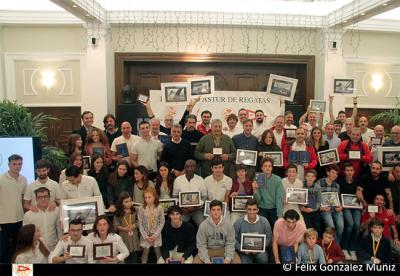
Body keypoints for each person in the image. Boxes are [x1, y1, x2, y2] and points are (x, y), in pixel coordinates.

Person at [0, 154, 28, 263]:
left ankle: (19, 273)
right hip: (4, 221)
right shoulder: (1, 179)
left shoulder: (24, 179)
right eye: (14, 164)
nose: (17, 166)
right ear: (8, 165)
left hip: (19, 220)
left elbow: (24, 200)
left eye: (20, 164)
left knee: (18, 251)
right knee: (3, 252)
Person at [193, 200, 241, 264]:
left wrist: (228, 258)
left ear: (222, 211)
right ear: (210, 211)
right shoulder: (203, 225)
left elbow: (230, 243)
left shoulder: (228, 224)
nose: (216, 212)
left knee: (237, 261)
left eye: (218, 209)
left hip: (223, 249)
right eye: (213, 210)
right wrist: (206, 260)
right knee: (196, 262)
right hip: (209, 250)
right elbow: (201, 245)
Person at [360, 194, 400, 258]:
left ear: (384, 203)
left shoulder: (389, 213)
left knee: (398, 250)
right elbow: (361, 229)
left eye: (381, 200)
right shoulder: (368, 211)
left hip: (386, 239)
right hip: (373, 239)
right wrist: (370, 218)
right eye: (377, 199)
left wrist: (396, 238)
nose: (379, 201)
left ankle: (384, 254)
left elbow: (394, 228)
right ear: (374, 201)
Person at [233, 198, 272, 264]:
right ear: (246, 209)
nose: (252, 212)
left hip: (259, 251)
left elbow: (269, 237)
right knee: (244, 262)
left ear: (258, 210)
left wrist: (260, 247)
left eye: (254, 209)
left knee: (263, 259)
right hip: (244, 252)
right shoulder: (239, 222)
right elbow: (232, 238)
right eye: (249, 209)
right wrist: (241, 248)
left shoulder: (264, 221)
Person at [337, 162, 361, 261]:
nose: (350, 172)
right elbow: (337, 196)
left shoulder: (357, 182)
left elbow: (359, 196)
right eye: (347, 170)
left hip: (355, 207)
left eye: (351, 170)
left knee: (357, 226)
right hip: (345, 207)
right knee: (350, 224)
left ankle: (352, 249)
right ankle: (345, 248)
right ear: (344, 172)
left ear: (354, 171)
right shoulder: (340, 182)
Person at [172, 160, 207, 227]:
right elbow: (175, 197)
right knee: (177, 224)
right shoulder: (178, 180)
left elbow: (204, 197)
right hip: (183, 210)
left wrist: (195, 207)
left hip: (197, 210)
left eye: (192, 166)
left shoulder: (201, 180)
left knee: (203, 225)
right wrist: (181, 207)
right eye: (187, 166)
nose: (190, 169)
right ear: (184, 168)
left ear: (196, 168)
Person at [252, 157, 284, 229]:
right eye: (265, 166)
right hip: (262, 207)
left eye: (269, 166)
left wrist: (279, 214)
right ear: (261, 168)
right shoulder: (258, 178)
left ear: (272, 168)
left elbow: (279, 197)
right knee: (261, 227)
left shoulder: (277, 179)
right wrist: (255, 190)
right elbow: (258, 200)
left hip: (274, 208)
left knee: (277, 227)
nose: (267, 168)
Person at [138, 187, 165, 263]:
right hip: (146, 235)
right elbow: (140, 223)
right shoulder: (141, 208)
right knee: (145, 252)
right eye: (145, 197)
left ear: (154, 197)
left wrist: (155, 235)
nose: (147, 199)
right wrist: (146, 236)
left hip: (156, 235)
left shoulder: (159, 208)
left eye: (149, 197)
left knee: (158, 252)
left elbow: (162, 222)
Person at [318, 164, 344, 244]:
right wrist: (320, 207)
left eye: (336, 174)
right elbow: (315, 199)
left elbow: (339, 199)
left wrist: (340, 207)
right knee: (331, 226)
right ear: (328, 172)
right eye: (333, 173)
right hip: (325, 209)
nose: (335, 175)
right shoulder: (319, 183)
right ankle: (332, 246)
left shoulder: (336, 185)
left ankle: (336, 245)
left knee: (341, 227)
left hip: (335, 209)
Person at [113, 192, 140, 263]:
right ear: (121, 203)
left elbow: (140, 221)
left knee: (134, 255)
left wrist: (134, 226)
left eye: (130, 201)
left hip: (133, 235)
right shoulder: (118, 212)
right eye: (126, 202)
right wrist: (124, 228)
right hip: (124, 236)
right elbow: (116, 225)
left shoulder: (135, 210)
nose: (129, 203)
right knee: (126, 253)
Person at [300, 170, 322, 235]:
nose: (310, 178)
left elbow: (319, 201)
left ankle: (315, 240)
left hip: (314, 209)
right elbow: (297, 199)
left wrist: (313, 209)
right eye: (308, 176)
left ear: (315, 178)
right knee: (307, 226)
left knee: (317, 225)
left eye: (312, 176)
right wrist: (303, 208)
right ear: (305, 177)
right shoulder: (301, 186)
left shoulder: (318, 187)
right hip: (304, 210)